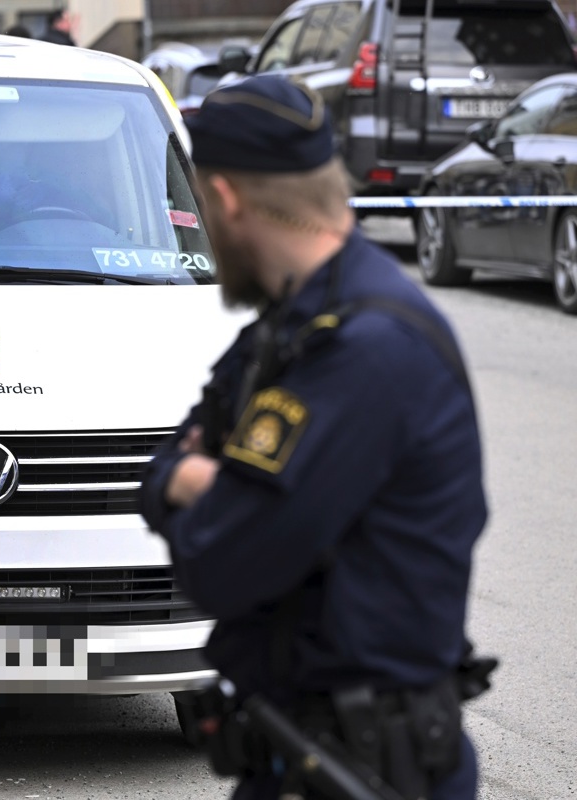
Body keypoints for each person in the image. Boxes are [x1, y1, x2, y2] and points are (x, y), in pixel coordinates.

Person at [139, 75, 491, 800]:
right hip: (294, 751)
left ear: (226, 199)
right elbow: (159, 473)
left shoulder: (364, 350)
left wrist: (201, 484)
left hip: (366, 771)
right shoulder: (289, 327)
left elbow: (219, 563)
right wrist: (196, 481)